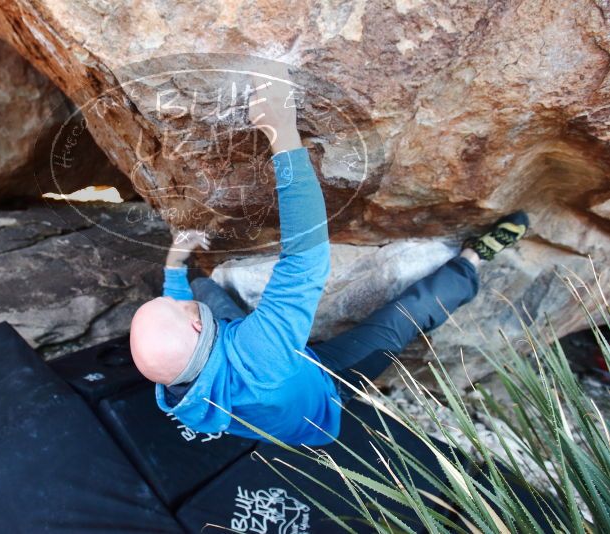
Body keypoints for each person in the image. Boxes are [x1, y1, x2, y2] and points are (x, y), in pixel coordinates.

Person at [129, 68, 530, 446]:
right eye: (181, 308)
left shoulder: (180, 392)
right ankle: (473, 260)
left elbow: (183, 314)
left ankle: (198, 294)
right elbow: (305, 260)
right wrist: (282, 133)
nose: (179, 301)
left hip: (266, 384)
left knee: (202, 285)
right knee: (405, 318)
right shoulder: (260, 354)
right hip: (325, 387)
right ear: (198, 327)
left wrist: (175, 263)